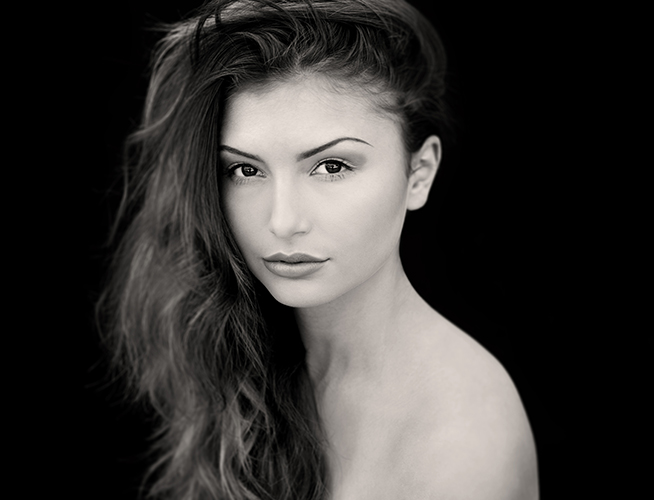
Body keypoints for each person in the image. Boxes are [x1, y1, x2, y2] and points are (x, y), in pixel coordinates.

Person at [97, 0, 538, 498]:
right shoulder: (241, 353)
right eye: (246, 170)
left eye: (331, 167)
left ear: (420, 173)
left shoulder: (463, 441)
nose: (283, 222)